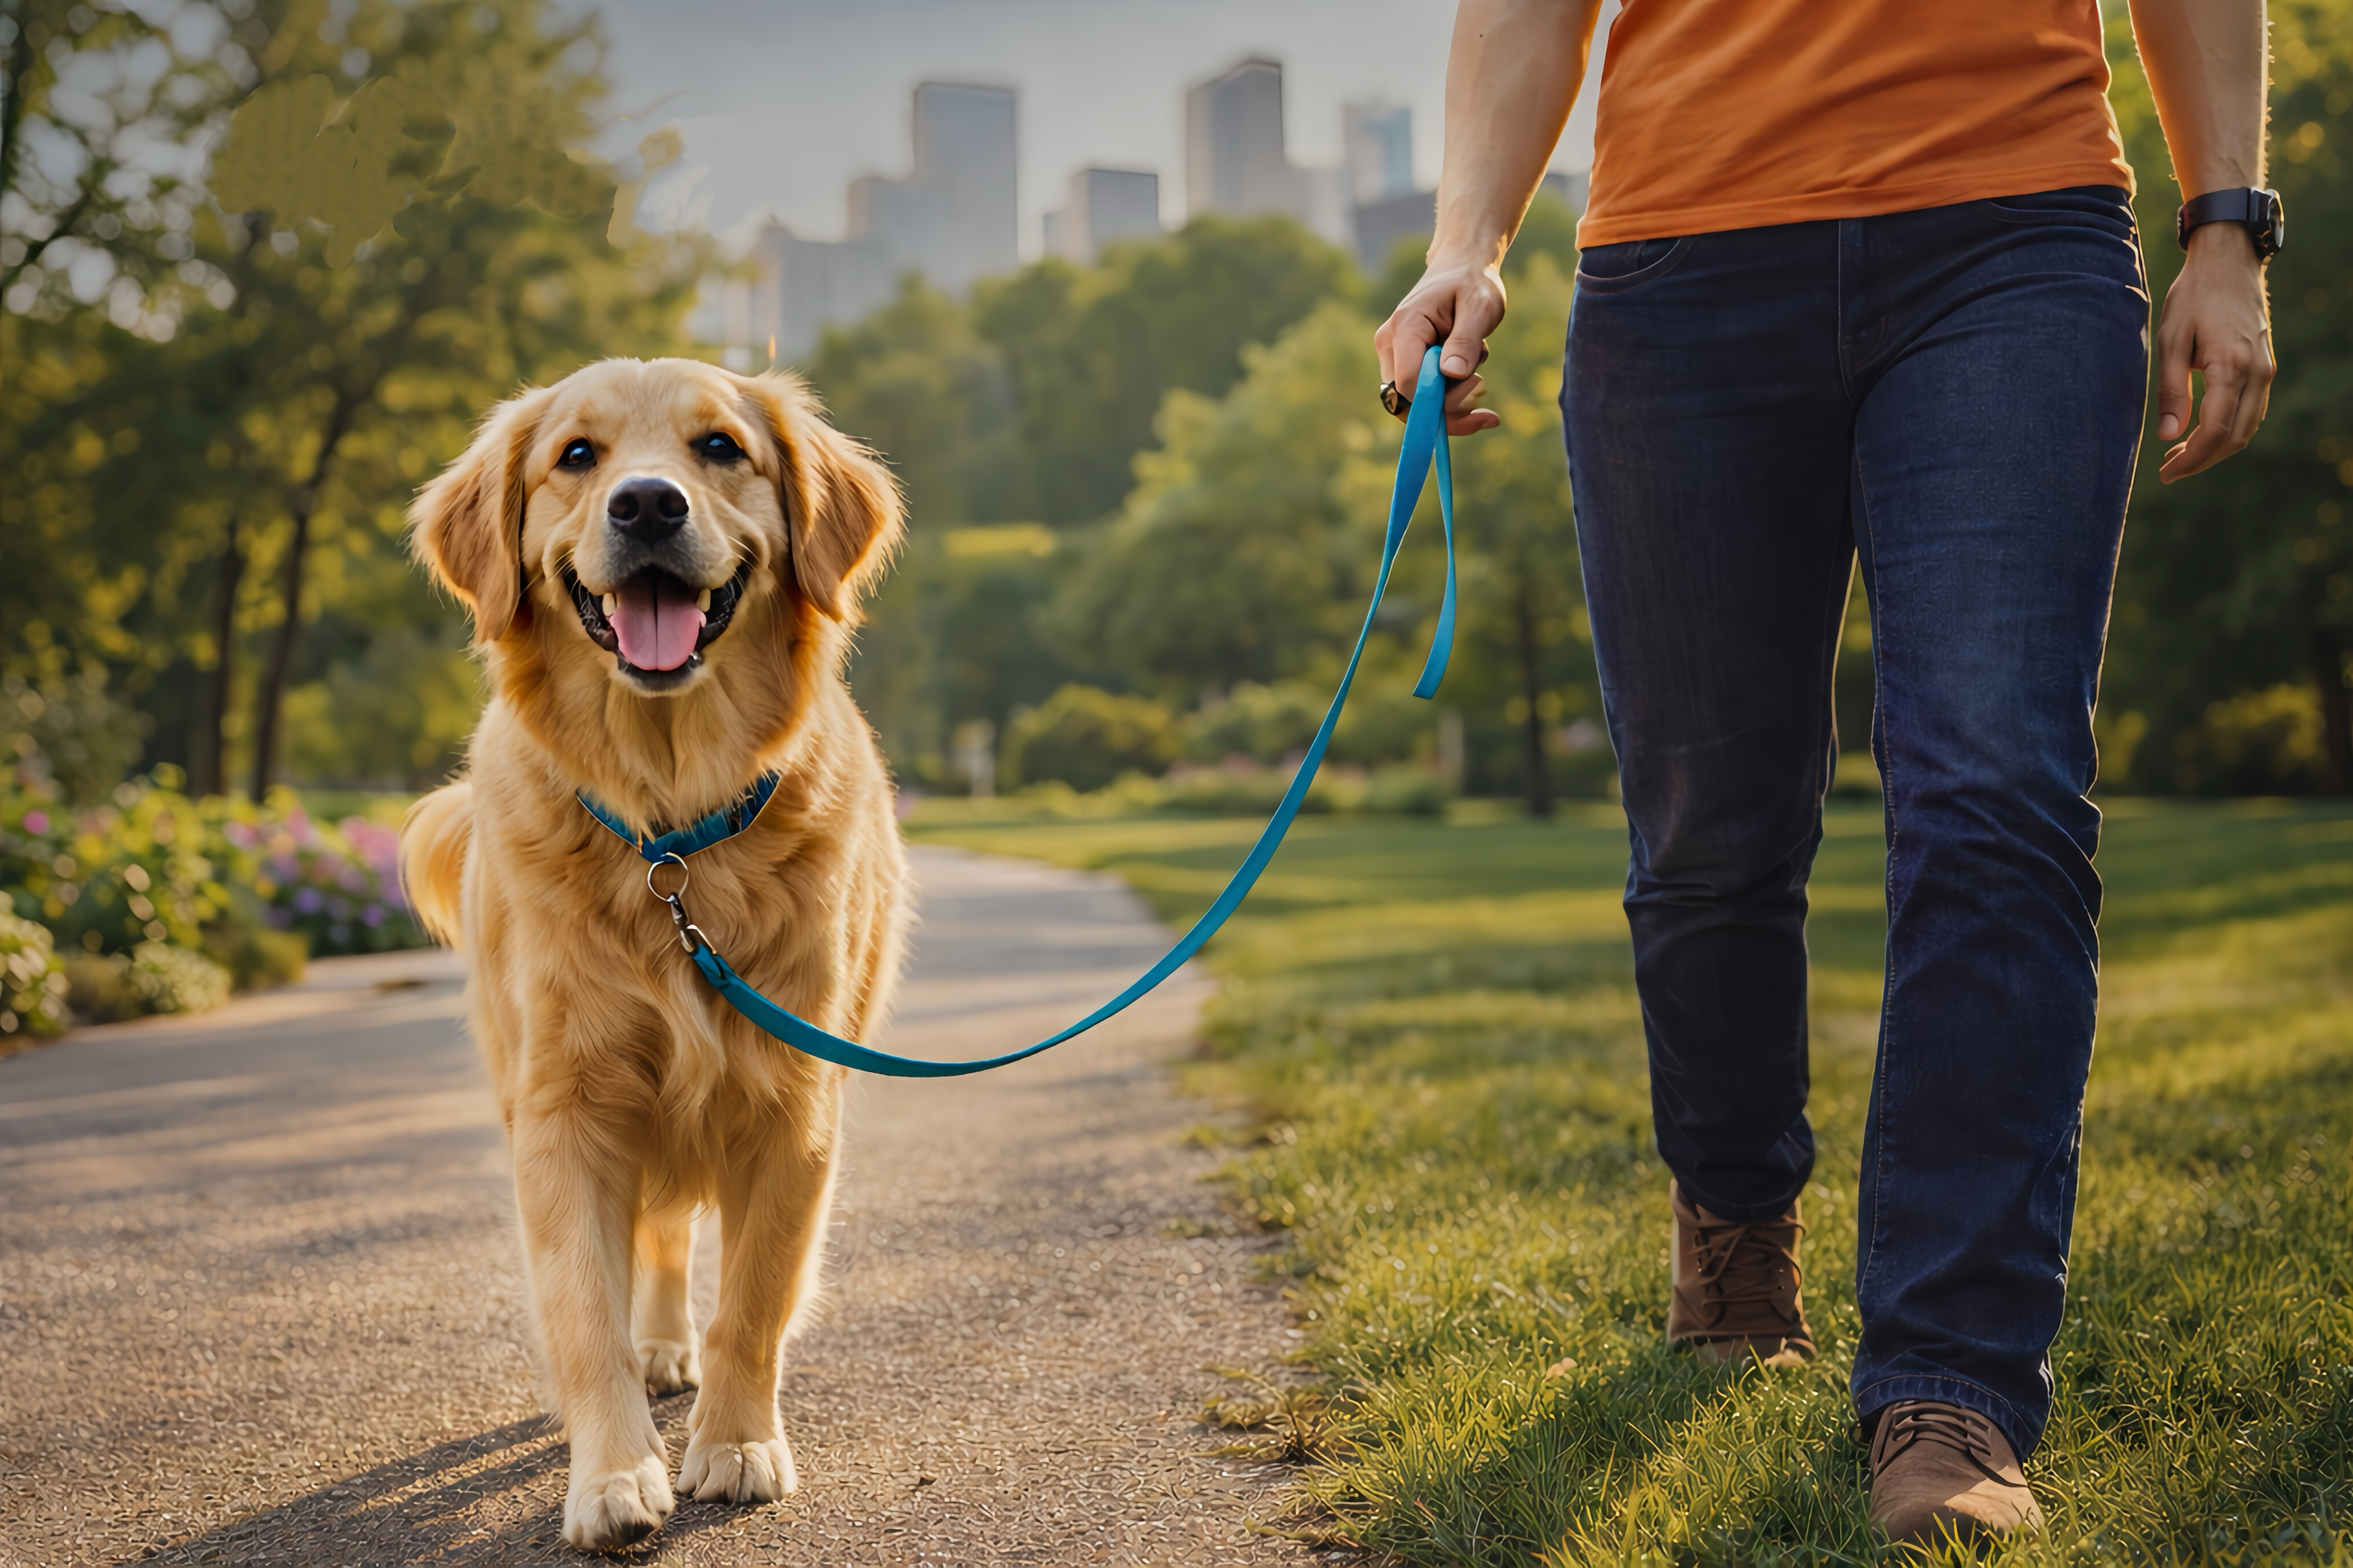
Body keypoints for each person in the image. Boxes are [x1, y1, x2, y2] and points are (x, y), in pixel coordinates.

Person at [1377, 0, 2277, 1543]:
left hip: (2013, 228)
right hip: (1680, 260)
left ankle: (1952, 1381)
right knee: (1706, 829)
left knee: (1998, 794)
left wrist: (2227, 227)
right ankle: (1735, 1223)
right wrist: (1468, 240)